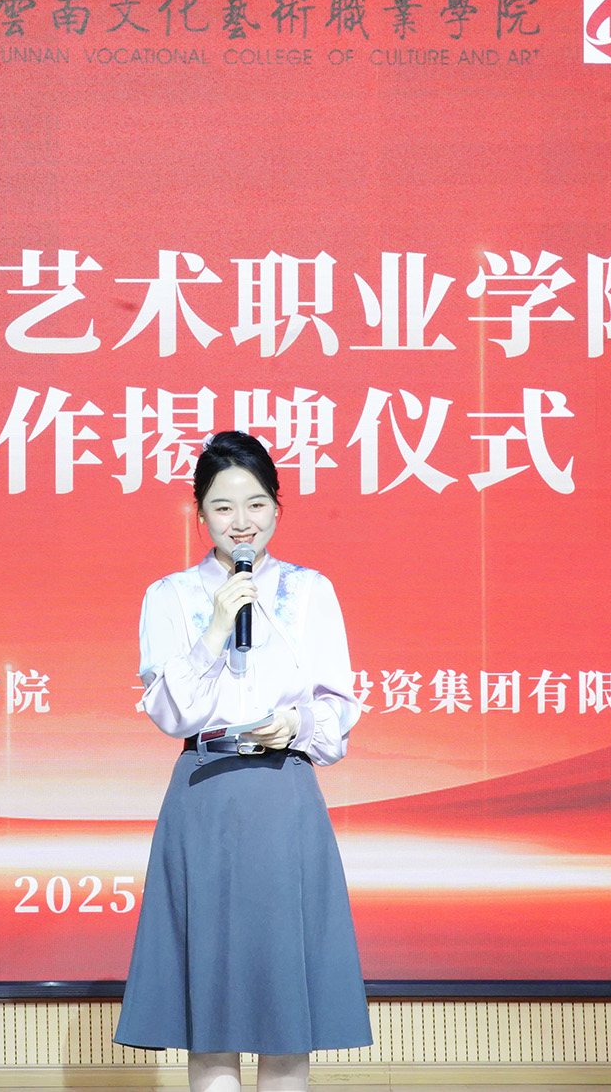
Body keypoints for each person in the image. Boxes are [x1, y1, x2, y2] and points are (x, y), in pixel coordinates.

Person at [113, 431, 371, 1092]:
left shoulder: (311, 592)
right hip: (204, 796)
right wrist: (214, 629)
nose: (241, 522)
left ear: (277, 509)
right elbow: (169, 714)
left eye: (256, 505)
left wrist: (297, 724)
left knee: (285, 1014)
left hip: (284, 796)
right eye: (223, 507)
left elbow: (338, 709)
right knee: (214, 1014)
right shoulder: (169, 596)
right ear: (200, 515)